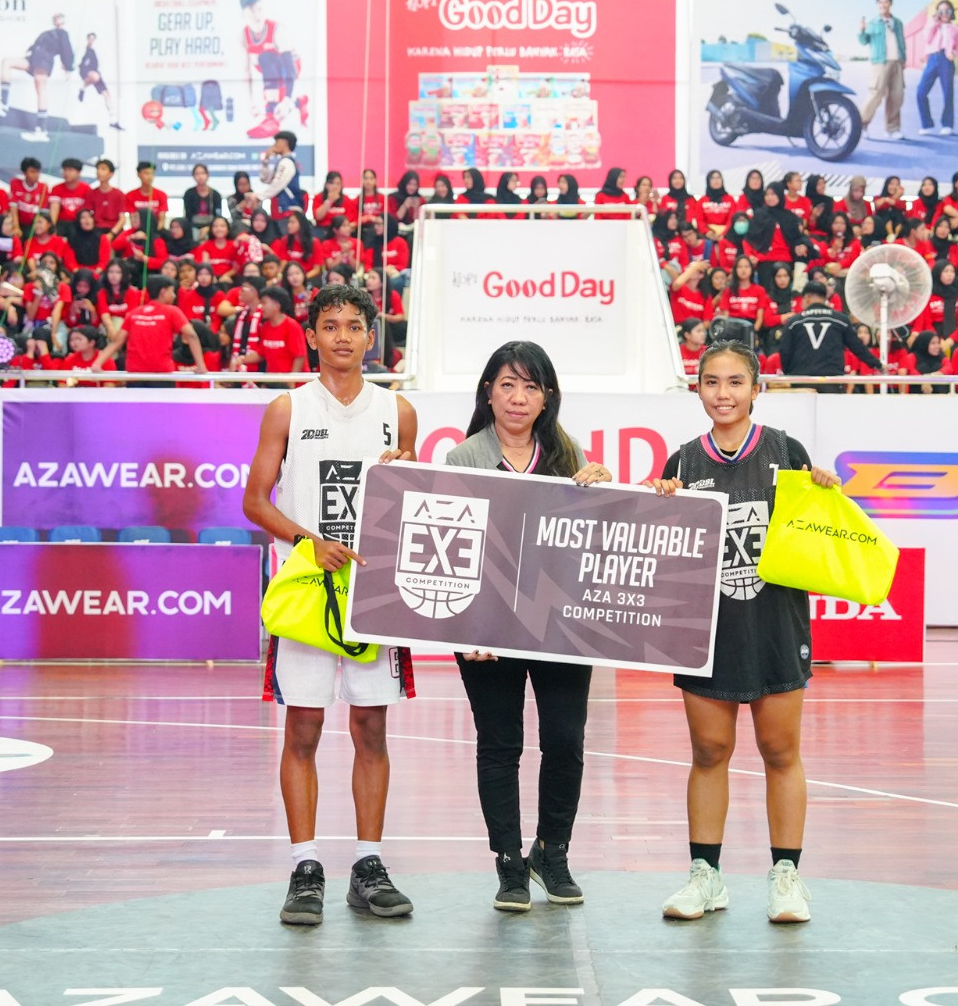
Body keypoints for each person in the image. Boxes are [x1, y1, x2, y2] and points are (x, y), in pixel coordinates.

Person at [240, 283, 418, 926]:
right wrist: (307, 542)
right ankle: (305, 866)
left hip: (373, 590)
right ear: (312, 335)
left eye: (354, 325)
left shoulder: (398, 411)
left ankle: (368, 865)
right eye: (330, 325)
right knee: (304, 729)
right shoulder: (287, 408)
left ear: (372, 335)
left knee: (371, 728)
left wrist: (406, 474)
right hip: (310, 591)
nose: (342, 336)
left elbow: (414, 502)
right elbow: (254, 501)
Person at [644, 341, 838, 924]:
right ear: (697, 389)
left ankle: (787, 877)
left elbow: (815, 538)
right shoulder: (682, 463)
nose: (723, 393)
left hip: (776, 621)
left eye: (735, 382)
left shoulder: (787, 451)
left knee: (780, 751)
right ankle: (706, 875)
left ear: (756, 389)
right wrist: (660, 502)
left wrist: (825, 493)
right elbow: (666, 556)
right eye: (711, 382)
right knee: (709, 751)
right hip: (707, 630)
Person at [443, 341, 610, 911]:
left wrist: (604, 491)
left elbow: (591, 543)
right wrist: (468, 629)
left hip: (559, 626)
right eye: (507, 384)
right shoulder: (462, 459)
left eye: (531, 386)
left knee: (565, 740)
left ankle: (551, 853)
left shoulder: (569, 454)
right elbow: (450, 554)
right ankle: (509, 864)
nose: (518, 397)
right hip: (486, 631)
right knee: (500, 745)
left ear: (547, 397)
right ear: (488, 392)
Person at [92, 275, 206, 386]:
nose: (174, 295)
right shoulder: (172, 311)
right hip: (162, 373)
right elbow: (191, 335)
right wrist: (201, 366)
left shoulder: (133, 313)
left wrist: (97, 363)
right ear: (163, 292)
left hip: (135, 374)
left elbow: (117, 341)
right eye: (172, 291)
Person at [777, 283, 881, 389]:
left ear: (807, 297)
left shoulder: (794, 322)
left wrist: (789, 373)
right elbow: (858, 347)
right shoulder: (841, 320)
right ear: (825, 297)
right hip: (832, 381)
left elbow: (785, 351)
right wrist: (878, 365)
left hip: (802, 381)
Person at [0, 13, 75, 141]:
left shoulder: (63, 33)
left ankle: (41, 129)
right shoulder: (47, 33)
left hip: (44, 59)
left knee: (40, 86)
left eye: (60, 18)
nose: (57, 20)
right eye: (55, 18)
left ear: (63, 20)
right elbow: (35, 46)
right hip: (33, 59)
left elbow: (67, 50)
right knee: (7, 62)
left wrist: (68, 67)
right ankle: (3, 103)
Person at [242, 0, 306, 140]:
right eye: (252, 11)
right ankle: (300, 101)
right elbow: (246, 71)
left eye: (259, 9)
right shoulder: (243, 35)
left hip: (289, 68)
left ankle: (271, 119)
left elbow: (290, 68)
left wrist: (287, 99)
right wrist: (251, 102)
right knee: (279, 104)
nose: (257, 15)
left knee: (280, 106)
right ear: (244, 14)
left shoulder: (277, 31)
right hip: (270, 71)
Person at [858, 0, 907, 141]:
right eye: (880, 3)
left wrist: (903, 59)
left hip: (897, 62)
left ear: (890, 4)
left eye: (885, 2)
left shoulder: (898, 23)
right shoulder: (873, 23)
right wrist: (862, 30)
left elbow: (901, 41)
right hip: (880, 62)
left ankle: (892, 129)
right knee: (876, 94)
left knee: (896, 96)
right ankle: (861, 125)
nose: (883, 5)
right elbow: (863, 41)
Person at [916, 0, 958, 136]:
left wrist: (953, 53)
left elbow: (956, 46)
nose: (944, 13)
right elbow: (926, 38)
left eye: (947, 11)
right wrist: (934, 22)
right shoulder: (933, 25)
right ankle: (926, 124)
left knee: (948, 93)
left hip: (947, 60)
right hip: (933, 58)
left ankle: (947, 125)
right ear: (937, 13)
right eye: (941, 11)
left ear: (951, 12)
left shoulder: (955, 29)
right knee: (921, 92)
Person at [76, 31, 123, 130]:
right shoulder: (84, 49)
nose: (91, 40)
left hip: (95, 72)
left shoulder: (95, 50)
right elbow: (78, 61)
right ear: (87, 39)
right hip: (85, 70)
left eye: (93, 39)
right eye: (90, 38)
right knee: (95, 77)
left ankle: (113, 120)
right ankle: (82, 88)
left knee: (107, 95)